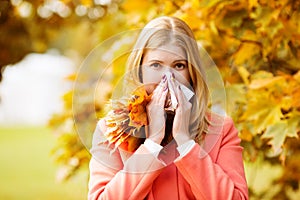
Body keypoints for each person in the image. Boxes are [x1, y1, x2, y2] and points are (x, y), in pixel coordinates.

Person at [88, 16, 248, 200]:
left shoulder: (221, 130)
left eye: (179, 66)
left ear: (192, 73)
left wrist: (186, 143)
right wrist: (152, 142)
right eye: (156, 65)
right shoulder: (111, 130)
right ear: (140, 70)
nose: (168, 77)